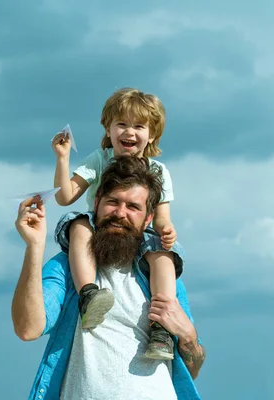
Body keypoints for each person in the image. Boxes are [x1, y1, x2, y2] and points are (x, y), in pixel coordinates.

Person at [12, 155, 205, 400]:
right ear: (96, 204)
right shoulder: (67, 268)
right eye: (113, 202)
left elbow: (190, 370)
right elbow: (28, 329)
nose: (120, 213)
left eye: (133, 207)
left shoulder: (162, 277)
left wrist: (188, 334)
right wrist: (34, 246)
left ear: (148, 218)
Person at [52, 87, 180, 360]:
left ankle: (161, 329)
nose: (128, 132)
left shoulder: (158, 171)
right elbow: (65, 197)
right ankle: (88, 295)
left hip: (137, 234)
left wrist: (167, 232)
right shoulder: (100, 160)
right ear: (108, 129)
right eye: (121, 124)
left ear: (152, 134)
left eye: (138, 126)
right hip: (100, 229)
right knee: (78, 223)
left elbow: (161, 219)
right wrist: (62, 159)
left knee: (163, 252)